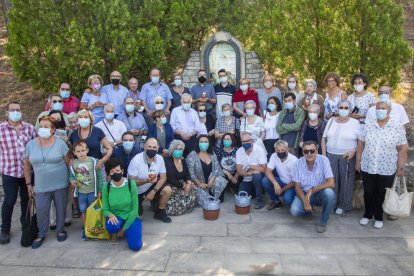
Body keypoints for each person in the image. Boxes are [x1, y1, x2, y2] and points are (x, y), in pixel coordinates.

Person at [356, 101, 408, 229]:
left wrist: (400, 167)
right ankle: (367, 215)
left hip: (387, 167)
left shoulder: (396, 126)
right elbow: (361, 144)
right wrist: (358, 161)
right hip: (368, 165)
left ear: (389, 110)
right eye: (378, 108)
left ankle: (378, 216)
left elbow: (403, 148)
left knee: (381, 192)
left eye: (383, 108)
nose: (380, 110)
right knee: (368, 191)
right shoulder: (368, 125)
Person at [24, 116, 70, 248]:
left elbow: (68, 163)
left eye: (46, 126)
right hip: (41, 184)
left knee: (61, 207)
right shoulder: (31, 145)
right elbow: (27, 166)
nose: (43, 128)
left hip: (60, 182)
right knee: (42, 209)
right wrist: (28, 184)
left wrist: (72, 182)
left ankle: (60, 230)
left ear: (53, 129)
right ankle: (41, 233)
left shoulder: (61, 144)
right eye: (41, 126)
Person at [0, 102, 36, 244]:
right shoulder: (1, 129)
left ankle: (25, 224)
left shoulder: (29, 128)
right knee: (9, 200)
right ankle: (5, 229)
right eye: (12, 110)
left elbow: (37, 144)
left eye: (18, 110)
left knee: (27, 199)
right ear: (7, 113)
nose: (16, 112)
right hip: (9, 172)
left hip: (27, 171)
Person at [321, 100, 361, 216]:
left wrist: (354, 150)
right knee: (332, 181)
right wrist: (324, 156)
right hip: (330, 155)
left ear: (350, 109)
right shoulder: (331, 121)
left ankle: (343, 206)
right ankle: (332, 203)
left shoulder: (355, 123)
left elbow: (360, 141)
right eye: (341, 107)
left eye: (346, 108)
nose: (343, 110)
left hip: (347, 156)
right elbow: (323, 139)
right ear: (337, 109)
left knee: (346, 181)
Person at [289, 141, 336, 233]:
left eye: (312, 151)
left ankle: (323, 222)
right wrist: (305, 202)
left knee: (329, 193)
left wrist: (312, 190)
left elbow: (331, 183)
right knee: (294, 211)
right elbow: (297, 186)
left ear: (317, 151)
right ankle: (309, 209)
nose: (309, 153)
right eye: (306, 151)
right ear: (303, 152)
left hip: (319, 192)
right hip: (304, 193)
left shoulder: (324, 160)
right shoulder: (298, 163)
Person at [128, 138, 172, 223]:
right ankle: (139, 205)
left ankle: (160, 212)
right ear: (144, 147)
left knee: (167, 190)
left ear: (158, 148)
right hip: (136, 191)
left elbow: (163, 177)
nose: (152, 149)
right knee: (138, 218)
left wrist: (153, 191)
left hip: (151, 187)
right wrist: (145, 181)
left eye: (154, 147)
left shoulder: (159, 158)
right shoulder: (136, 160)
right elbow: (131, 181)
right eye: (149, 147)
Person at [103, 158, 142, 251]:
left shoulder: (130, 184)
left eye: (117, 170)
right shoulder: (106, 187)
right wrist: (110, 215)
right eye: (112, 172)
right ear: (109, 173)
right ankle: (114, 232)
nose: (115, 173)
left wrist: (124, 229)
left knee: (135, 246)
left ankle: (125, 230)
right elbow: (105, 209)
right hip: (116, 217)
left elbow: (135, 209)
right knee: (111, 225)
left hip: (131, 216)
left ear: (122, 171)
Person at [69, 140, 103, 240]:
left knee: (93, 212)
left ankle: (94, 229)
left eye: (83, 150)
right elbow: (71, 176)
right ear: (74, 153)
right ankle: (86, 230)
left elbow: (100, 177)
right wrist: (72, 181)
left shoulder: (94, 161)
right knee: (83, 211)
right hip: (81, 193)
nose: (81, 153)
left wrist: (100, 190)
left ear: (87, 150)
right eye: (78, 151)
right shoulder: (73, 164)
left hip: (93, 192)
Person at [186, 135, 227, 205]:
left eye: (206, 142)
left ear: (209, 143)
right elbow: (191, 173)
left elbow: (217, 168)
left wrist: (212, 180)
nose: (203, 144)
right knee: (205, 202)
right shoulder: (192, 155)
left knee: (220, 184)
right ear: (198, 143)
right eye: (201, 142)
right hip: (198, 183)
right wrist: (199, 184)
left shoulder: (212, 153)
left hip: (211, 182)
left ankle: (212, 193)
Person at [262, 140, 297, 211]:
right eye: (278, 150)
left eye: (283, 150)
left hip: (292, 185)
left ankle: (296, 198)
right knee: (265, 180)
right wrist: (275, 183)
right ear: (275, 150)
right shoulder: (274, 156)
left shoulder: (294, 160)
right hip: (281, 181)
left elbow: (294, 181)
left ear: (287, 149)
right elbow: (268, 171)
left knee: (287, 200)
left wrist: (282, 190)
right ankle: (276, 201)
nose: (280, 152)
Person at [164, 140, 196, 216]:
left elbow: (188, 174)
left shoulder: (183, 160)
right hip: (172, 184)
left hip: (183, 184)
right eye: (176, 149)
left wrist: (188, 183)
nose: (178, 151)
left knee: (193, 187)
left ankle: (184, 206)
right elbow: (171, 179)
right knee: (177, 192)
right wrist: (184, 186)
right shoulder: (168, 161)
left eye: (180, 149)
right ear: (172, 150)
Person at [236, 132, 267, 209]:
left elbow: (264, 169)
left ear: (252, 140)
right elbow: (239, 171)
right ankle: (256, 192)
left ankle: (260, 200)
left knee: (257, 176)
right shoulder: (239, 151)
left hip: (258, 178)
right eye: (243, 141)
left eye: (247, 141)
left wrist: (250, 166)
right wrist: (251, 172)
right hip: (246, 179)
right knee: (241, 197)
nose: (245, 143)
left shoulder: (259, 150)